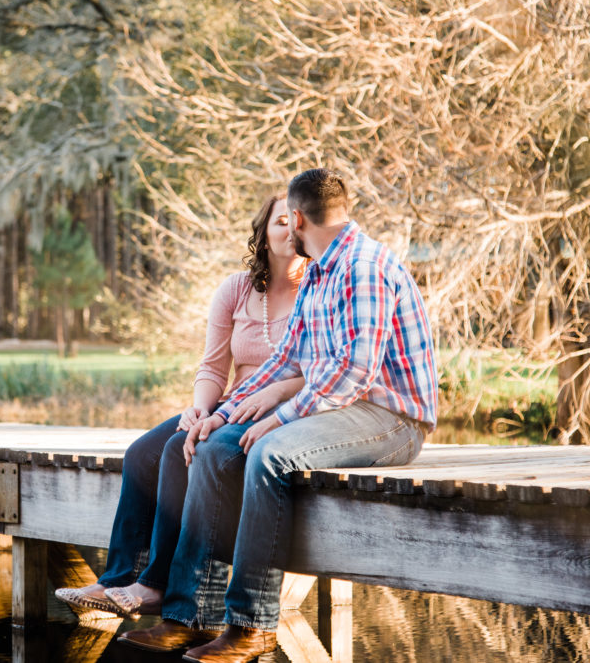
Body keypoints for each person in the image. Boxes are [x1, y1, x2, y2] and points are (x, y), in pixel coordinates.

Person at [118, 168, 439, 662]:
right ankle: (189, 615)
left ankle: (251, 625)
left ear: (297, 219)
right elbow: (287, 358)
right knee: (214, 447)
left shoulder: (363, 267)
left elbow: (354, 372)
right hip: (343, 407)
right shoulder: (320, 269)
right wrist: (222, 415)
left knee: (267, 453)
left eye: (290, 224)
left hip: (391, 418)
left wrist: (280, 417)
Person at [55, 193, 308, 618]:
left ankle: (154, 585)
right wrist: (200, 410)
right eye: (280, 221)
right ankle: (116, 581)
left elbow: (329, 369)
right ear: (264, 234)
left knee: (179, 452)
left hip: (282, 413)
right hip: (231, 405)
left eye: (297, 221)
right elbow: (212, 367)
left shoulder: (318, 289)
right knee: (141, 454)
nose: (290, 229)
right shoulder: (237, 289)